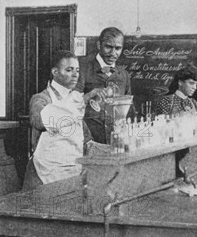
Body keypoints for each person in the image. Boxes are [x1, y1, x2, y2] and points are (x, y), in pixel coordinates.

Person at [23, 50, 104, 190]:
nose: (75, 75)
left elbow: (87, 142)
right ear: (55, 72)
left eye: (77, 70)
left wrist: (114, 151)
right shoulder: (41, 99)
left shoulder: (76, 98)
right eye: (69, 70)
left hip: (73, 172)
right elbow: (39, 121)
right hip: (44, 174)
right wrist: (86, 98)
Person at [75, 27, 132, 144]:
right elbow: (71, 105)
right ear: (98, 45)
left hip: (115, 139)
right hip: (87, 139)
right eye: (108, 47)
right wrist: (90, 94)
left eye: (118, 48)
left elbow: (128, 108)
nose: (113, 53)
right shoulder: (81, 69)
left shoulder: (124, 75)